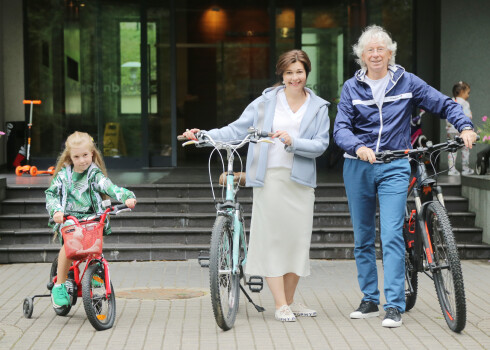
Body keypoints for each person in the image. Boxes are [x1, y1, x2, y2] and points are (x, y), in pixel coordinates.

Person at [333, 25, 477, 328]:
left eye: (380, 49)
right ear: (361, 55)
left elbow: (444, 103)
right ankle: (370, 299)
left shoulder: (407, 82)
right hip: (357, 166)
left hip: (395, 164)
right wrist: (358, 146)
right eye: (369, 50)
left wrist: (464, 126)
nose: (375, 54)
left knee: (392, 234)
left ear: (390, 52)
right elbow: (341, 128)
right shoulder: (351, 88)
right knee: (362, 237)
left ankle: (395, 305)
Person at [182, 50, 330, 322]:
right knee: (273, 239)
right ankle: (280, 304)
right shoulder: (265, 102)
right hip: (270, 178)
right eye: (288, 73)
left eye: (299, 72)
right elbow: (236, 129)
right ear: (281, 75)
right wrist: (204, 135)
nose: (294, 78)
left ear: (307, 72)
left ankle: (291, 301)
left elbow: (321, 144)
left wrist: (293, 142)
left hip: (301, 182)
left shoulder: (319, 106)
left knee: (297, 242)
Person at [45, 131, 137, 308]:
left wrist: (126, 196)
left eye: (85, 155)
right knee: (68, 249)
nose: (82, 160)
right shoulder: (64, 176)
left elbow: (108, 186)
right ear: (70, 157)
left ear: (92, 154)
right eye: (77, 156)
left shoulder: (94, 174)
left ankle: (94, 282)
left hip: (92, 218)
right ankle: (59, 285)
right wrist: (56, 211)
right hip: (69, 218)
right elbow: (51, 194)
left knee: (95, 249)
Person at [447, 81, 474, 175]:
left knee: (452, 149)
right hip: (461, 130)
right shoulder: (465, 103)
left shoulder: (451, 101)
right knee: (465, 148)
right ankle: (465, 169)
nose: (468, 95)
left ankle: (451, 170)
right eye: (468, 93)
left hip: (451, 130)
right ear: (462, 92)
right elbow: (467, 116)